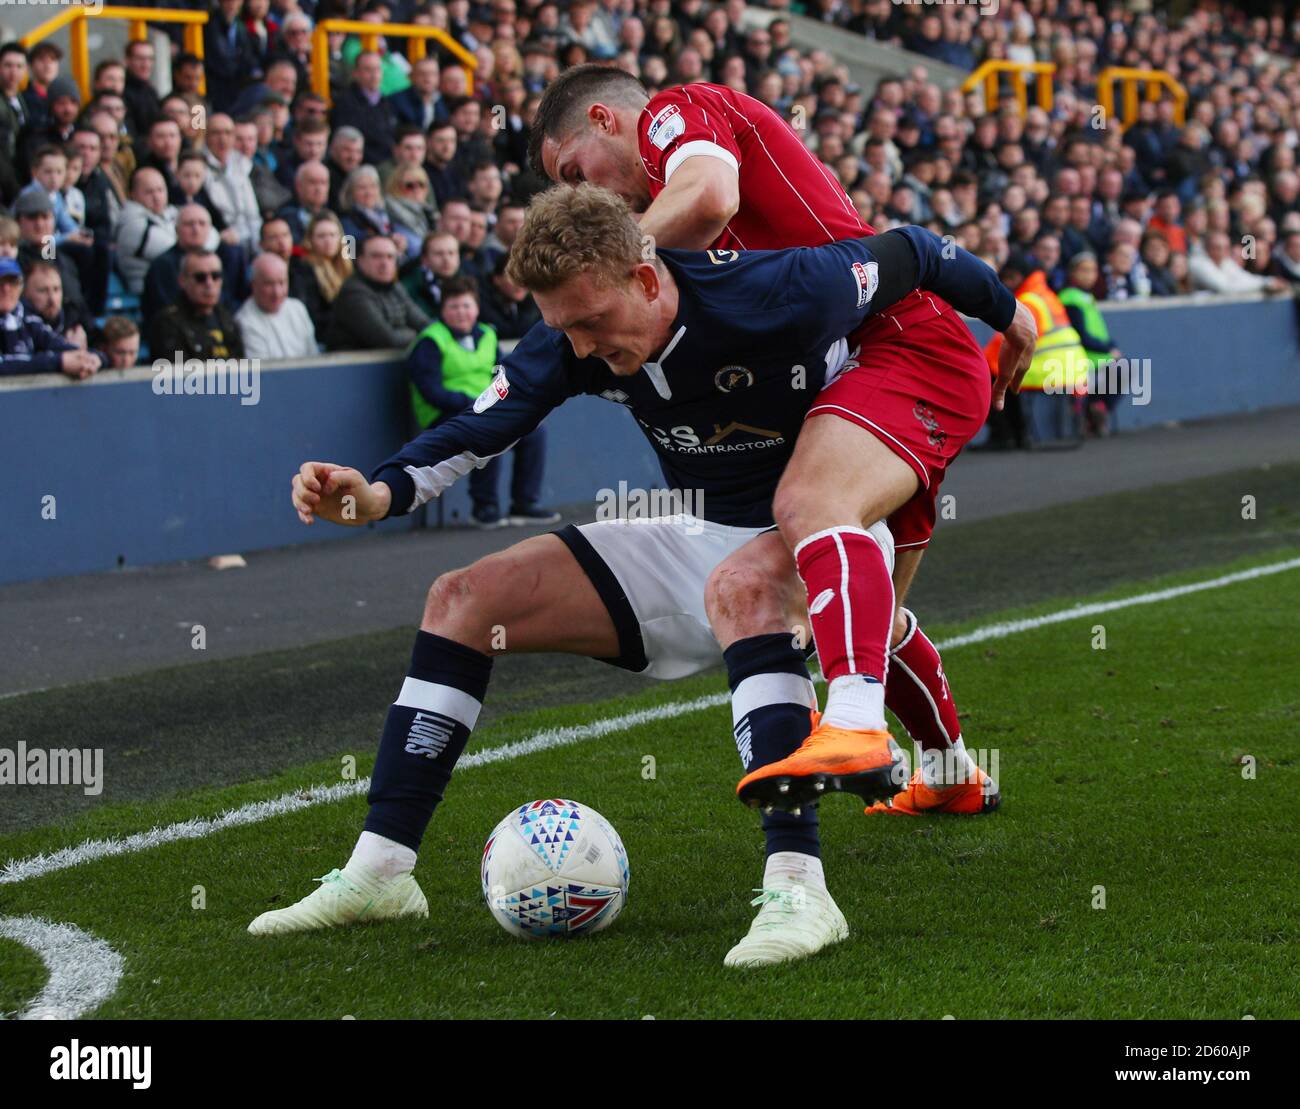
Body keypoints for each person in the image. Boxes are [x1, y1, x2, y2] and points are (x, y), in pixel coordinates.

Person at [248, 187, 1025, 968]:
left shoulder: (779, 289)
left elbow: (918, 250)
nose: (580, 347)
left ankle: (800, 887)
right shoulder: (570, 336)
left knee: (746, 587)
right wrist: (380, 491)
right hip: (699, 531)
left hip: (816, 528)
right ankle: (380, 870)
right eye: (563, 328)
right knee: (460, 598)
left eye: (591, 321)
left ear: (647, 278)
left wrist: (1011, 315)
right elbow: (481, 428)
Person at [529, 66, 1006, 843]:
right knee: (862, 610)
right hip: (889, 351)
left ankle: (853, 724)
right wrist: (1008, 312)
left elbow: (711, 197)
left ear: (603, 120)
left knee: (811, 512)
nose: (594, 198)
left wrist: (608, 260)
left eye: (576, 172)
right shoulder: (681, 175)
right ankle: (951, 771)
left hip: (895, 351)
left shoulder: (676, 113)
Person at [408, 275, 557, 527]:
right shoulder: (430, 341)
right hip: (445, 413)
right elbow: (430, 391)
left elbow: (502, 375)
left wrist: (496, 405)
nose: (461, 313)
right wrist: (472, 405)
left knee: (534, 432)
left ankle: (525, 503)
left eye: (466, 306)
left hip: (484, 407)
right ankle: (484, 507)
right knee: (490, 432)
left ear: (476, 307)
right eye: (454, 307)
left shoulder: (488, 334)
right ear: (443, 310)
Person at [324, 233, 430, 351]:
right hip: (351, 367)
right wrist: (417, 335)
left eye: (390, 257)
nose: (384, 263)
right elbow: (388, 340)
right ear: (361, 261)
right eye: (376, 256)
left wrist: (424, 333)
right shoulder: (353, 293)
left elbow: (425, 325)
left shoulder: (395, 287)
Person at [0, 257, 102, 377]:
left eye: (13, 282)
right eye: (0, 283)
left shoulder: (28, 321)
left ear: (20, 288)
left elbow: (61, 346)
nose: (6, 289)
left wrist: (94, 359)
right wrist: (59, 362)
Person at [148, 249, 245, 362]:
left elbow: (241, 369)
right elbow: (178, 375)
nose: (209, 283)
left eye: (215, 276)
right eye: (200, 277)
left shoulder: (228, 319)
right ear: (182, 281)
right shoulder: (167, 324)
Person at [236, 252, 318, 360]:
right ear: (254, 285)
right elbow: (264, 371)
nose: (277, 292)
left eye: (282, 282)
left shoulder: (298, 309)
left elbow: (314, 357)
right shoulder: (245, 321)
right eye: (269, 284)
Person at [291, 211, 352, 335]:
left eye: (332, 235)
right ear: (310, 240)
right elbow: (312, 315)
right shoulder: (304, 269)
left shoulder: (348, 267)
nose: (328, 241)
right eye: (321, 236)